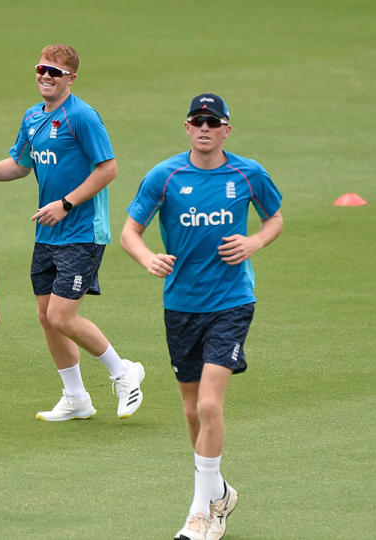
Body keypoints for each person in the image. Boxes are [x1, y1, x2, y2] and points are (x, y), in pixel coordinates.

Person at [120, 93, 283, 540]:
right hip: (180, 306)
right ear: (187, 127)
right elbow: (130, 232)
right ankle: (221, 494)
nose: (206, 128)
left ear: (227, 129)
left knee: (210, 404)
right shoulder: (165, 176)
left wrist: (254, 243)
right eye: (198, 121)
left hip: (231, 303)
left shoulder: (248, 174)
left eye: (214, 121)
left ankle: (199, 512)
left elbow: (275, 219)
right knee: (192, 411)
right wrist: (147, 257)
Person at [0, 44, 144, 421]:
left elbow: (108, 170)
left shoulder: (83, 117)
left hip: (82, 230)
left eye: (55, 72)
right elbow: (20, 164)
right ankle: (76, 397)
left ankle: (124, 371)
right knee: (47, 317)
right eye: (42, 69)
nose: (46, 76)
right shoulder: (32, 117)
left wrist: (66, 203)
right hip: (48, 234)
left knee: (61, 316)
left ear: (71, 78)